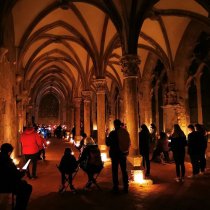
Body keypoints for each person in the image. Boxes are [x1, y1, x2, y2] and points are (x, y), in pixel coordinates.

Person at [0, 143, 32, 210]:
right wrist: (23, 172)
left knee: (24, 183)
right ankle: (19, 208)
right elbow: (16, 176)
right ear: (9, 152)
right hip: (6, 185)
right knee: (27, 188)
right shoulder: (7, 161)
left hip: (3, 183)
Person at [106, 119, 130, 193]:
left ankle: (116, 186)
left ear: (114, 124)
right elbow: (128, 141)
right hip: (123, 153)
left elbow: (108, 143)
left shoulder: (113, 133)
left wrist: (107, 136)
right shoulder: (125, 132)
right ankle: (126, 186)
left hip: (115, 154)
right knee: (124, 170)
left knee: (115, 170)